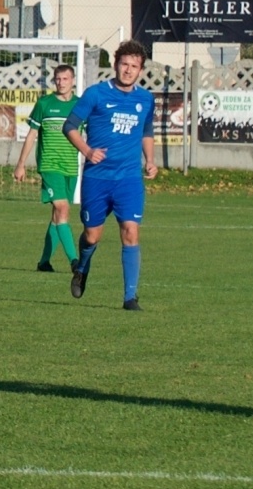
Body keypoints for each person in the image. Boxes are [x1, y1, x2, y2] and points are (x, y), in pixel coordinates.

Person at [64, 41, 157, 310]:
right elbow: (70, 126)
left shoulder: (145, 99)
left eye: (134, 66)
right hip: (97, 178)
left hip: (128, 179)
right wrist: (87, 150)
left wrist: (150, 160)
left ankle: (130, 298)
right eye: (124, 64)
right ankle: (81, 267)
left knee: (130, 231)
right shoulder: (95, 94)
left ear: (140, 70)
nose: (128, 70)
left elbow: (147, 131)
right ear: (116, 64)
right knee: (92, 236)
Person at [12, 64, 80, 272]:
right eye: (58, 79)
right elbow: (32, 134)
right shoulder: (44, 104)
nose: (61, 83)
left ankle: (44, 262)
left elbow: (88, 132)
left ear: (73, 81)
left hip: (71, 166)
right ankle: (75, 262)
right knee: (63, 208)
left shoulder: (79, 105)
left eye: (65, 79)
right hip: (50, 165)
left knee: (57, 216)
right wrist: (21, 163)